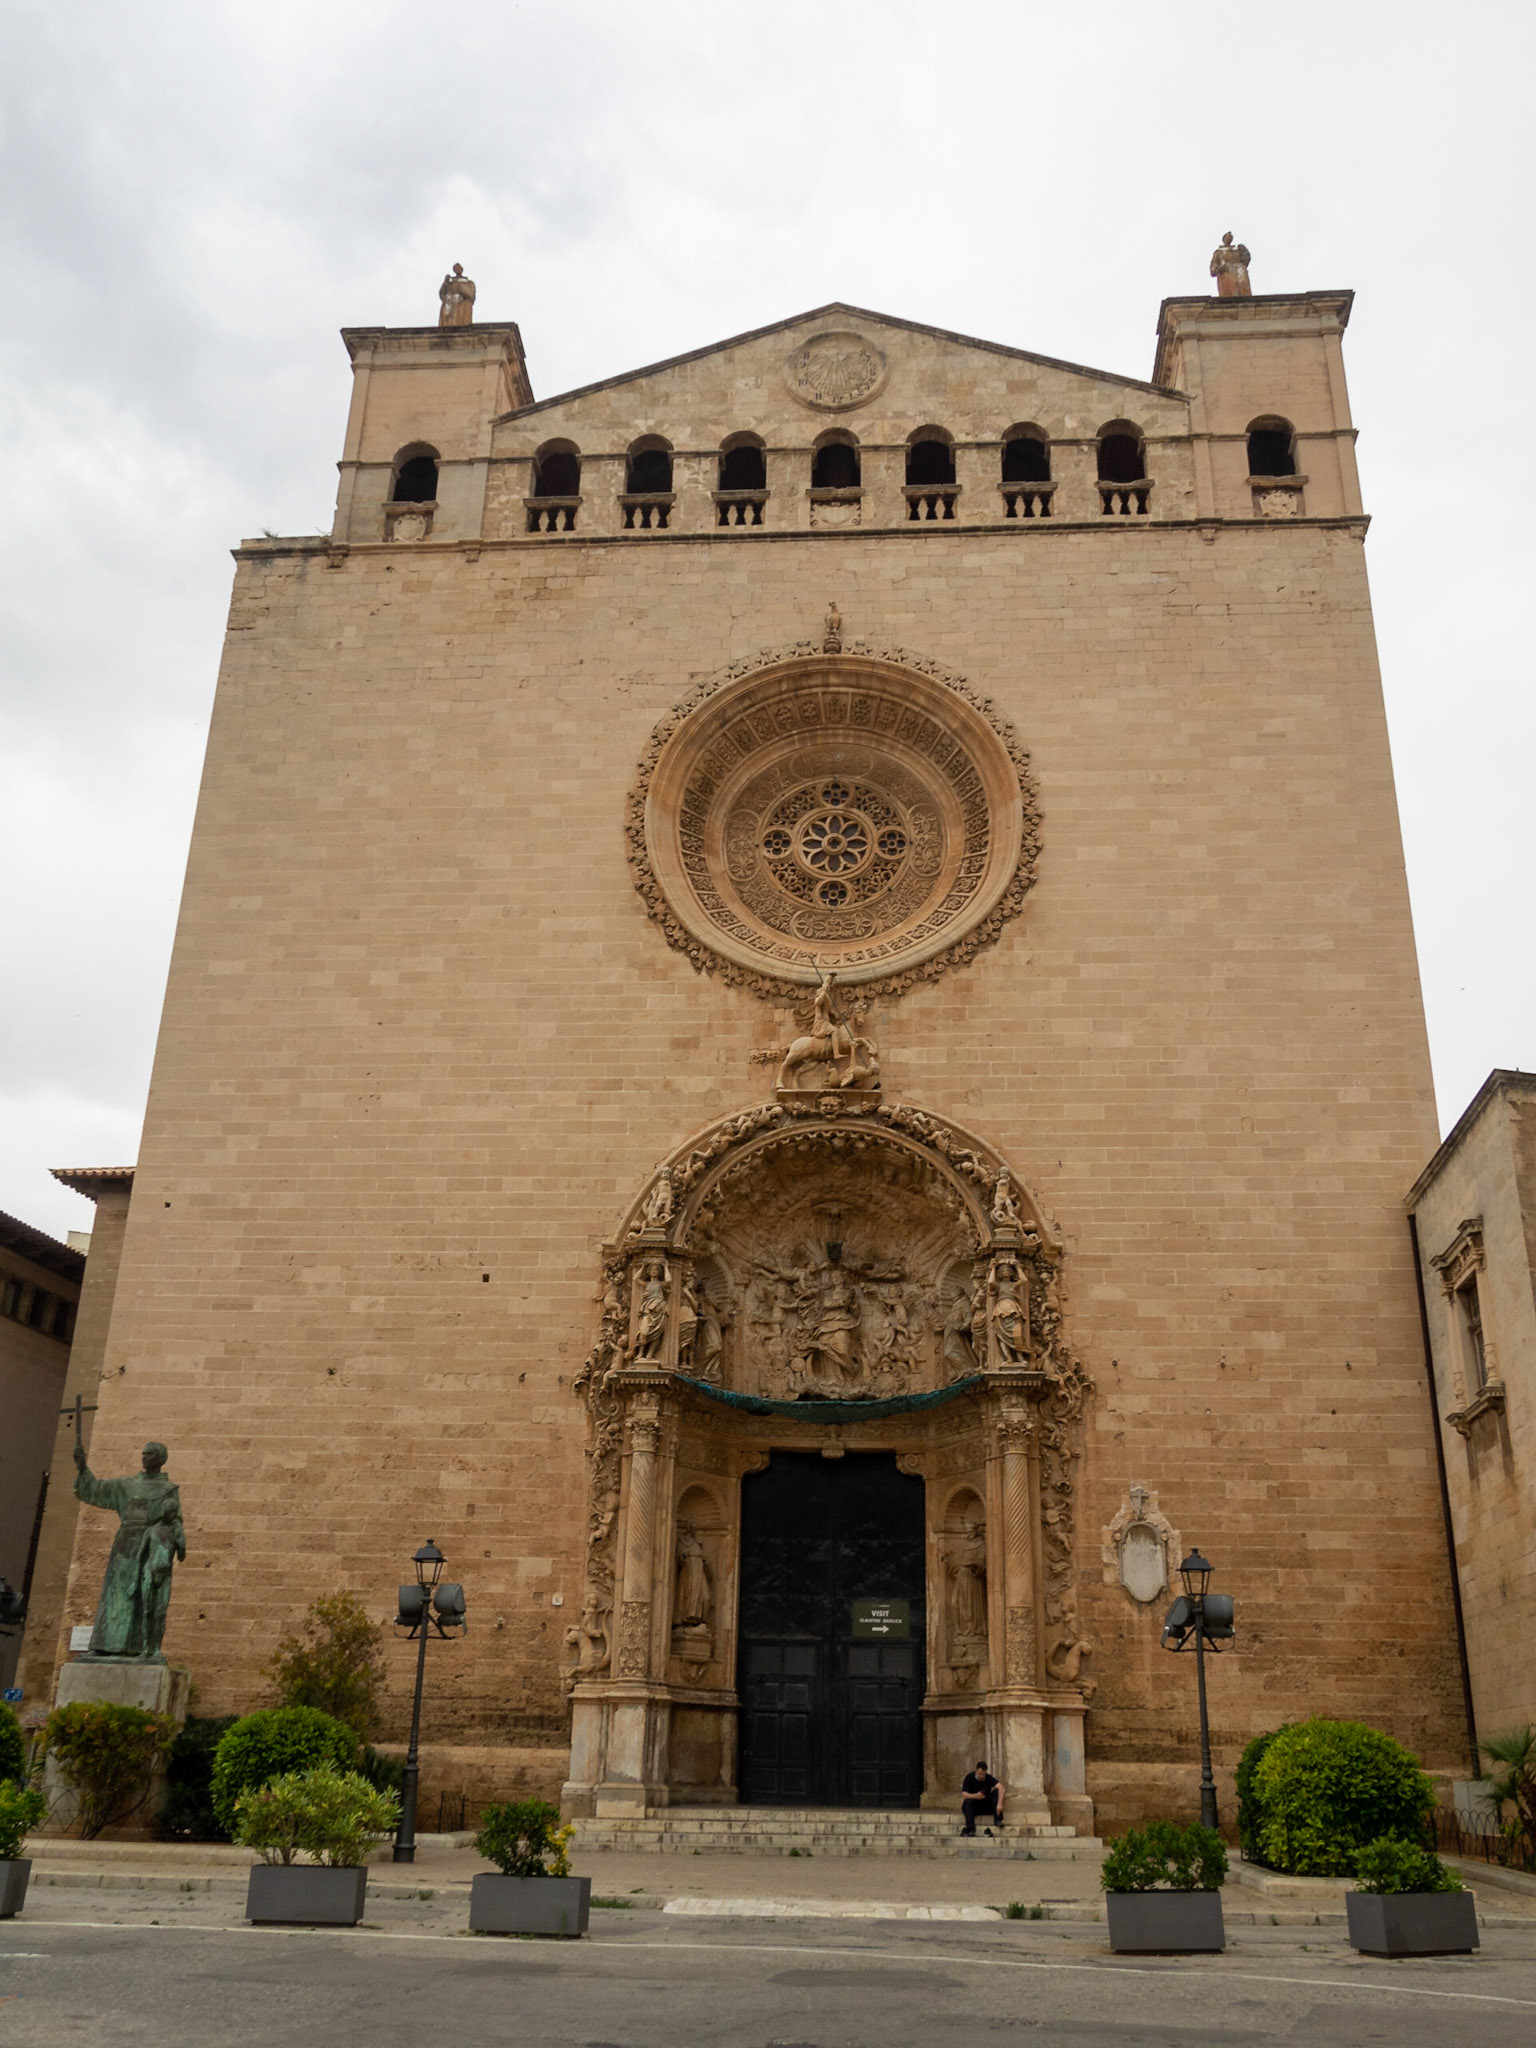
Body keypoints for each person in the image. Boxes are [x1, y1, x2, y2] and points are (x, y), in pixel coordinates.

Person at [960, 1759, 1005, 1836]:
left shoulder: (988, 1778)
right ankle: (971, 1829)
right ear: (976, 1771)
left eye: (984, 1774)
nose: (982, 1776)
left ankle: (997, 1819)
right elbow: (964, 1795)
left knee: (997, 1792)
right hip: (973, 1807)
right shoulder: (969, 1777)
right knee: (967, 1802)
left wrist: (1000, 1804)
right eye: (980, 1774)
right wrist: (975, 1796)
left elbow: (1001, 1788)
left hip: (986, 1806)